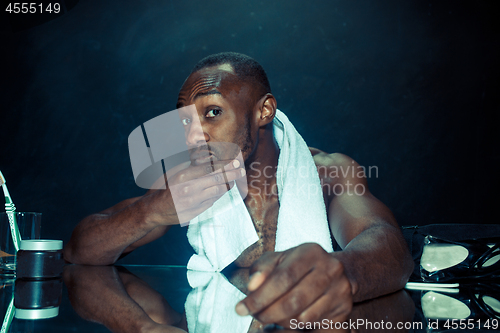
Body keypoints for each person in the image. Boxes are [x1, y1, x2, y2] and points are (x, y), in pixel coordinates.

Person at [64, 52, 413, 327]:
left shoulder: (327, 172)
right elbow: (80, 249)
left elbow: (388, 244)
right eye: (185, 119)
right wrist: (150, 211)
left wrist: (344, 272)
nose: (191, 136)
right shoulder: (190, 180)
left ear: (264, 110)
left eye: (212, 112)